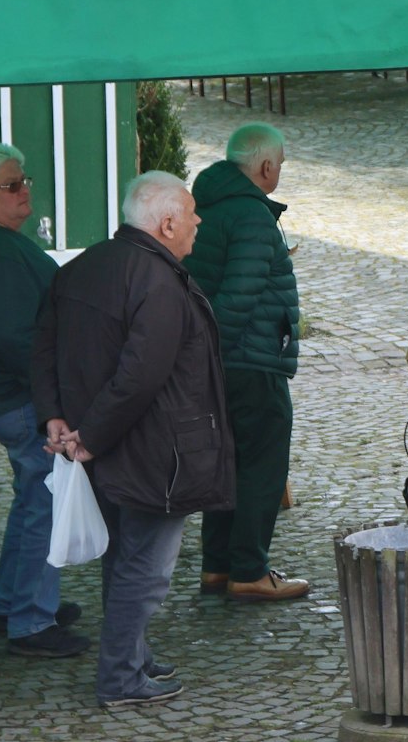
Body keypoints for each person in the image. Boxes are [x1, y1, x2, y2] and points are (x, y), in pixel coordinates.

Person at [34, 172, 232, 707]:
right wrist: (90, 436)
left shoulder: (82, 266)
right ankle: (121, 676)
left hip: (102, 443)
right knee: (144, 568)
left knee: (122, 557)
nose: (197, 221)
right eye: (190, 213)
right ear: (166, 223)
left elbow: (44, 346)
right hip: (153, 450)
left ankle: (133, 656)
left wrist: (55, 417)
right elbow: (141, 375)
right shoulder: (158, 281)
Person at [0, 143, 89, 656]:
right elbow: (14, 338)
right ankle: (31, 620)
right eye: (11, 185)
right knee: (43, 503)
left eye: (24, 180)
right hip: (22, 397)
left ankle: (15, 604)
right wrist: (54, 400)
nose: (24, 190)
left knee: (33, 499)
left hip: (14, 395)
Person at [183, 123, 308, 603]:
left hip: (223, 361)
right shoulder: (251, 214)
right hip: (251, 362)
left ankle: (218, 566)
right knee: (261, 467)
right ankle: (250, 571)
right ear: (266, 166)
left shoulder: (210, 206)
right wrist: (219, 354)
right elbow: (239, 295)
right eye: (281, 165)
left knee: (227, 463)